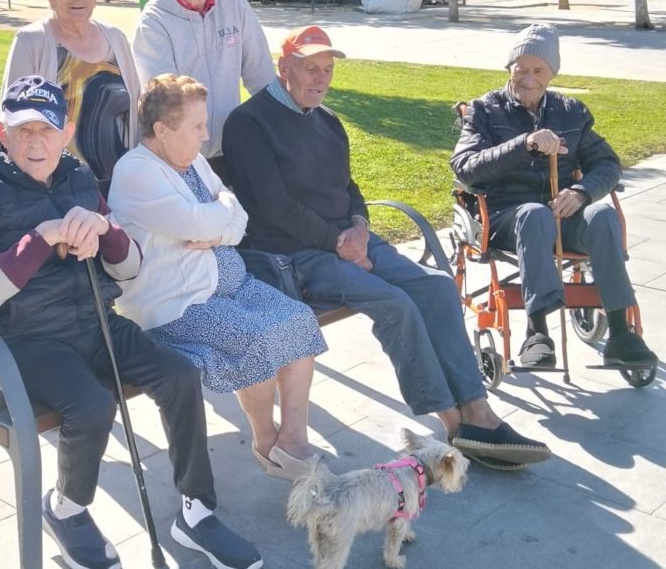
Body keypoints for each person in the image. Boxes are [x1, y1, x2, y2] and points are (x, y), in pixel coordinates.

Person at [0, 75, 262, 569]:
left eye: (46, 130)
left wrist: (103, 230)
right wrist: (43, 236)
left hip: (93, 322)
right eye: (21, 130)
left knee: (180, 375)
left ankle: (196, 512)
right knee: (92, 404)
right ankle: (67, 508)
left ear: (66, 131)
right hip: (25, 341)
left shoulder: (76, 176)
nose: (35, 142)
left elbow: (130, 265)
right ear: (0, 131)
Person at [222, 26, 552, 470]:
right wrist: (339, 243)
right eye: (309, 68)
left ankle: (479, 411)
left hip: (345, 241)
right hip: (291, 255)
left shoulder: (327, 120)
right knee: (395, 302)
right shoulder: (250, 122)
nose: (319, 78)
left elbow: (350, 187)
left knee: (435, 287)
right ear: (283, 68)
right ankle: (454, 425)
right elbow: (274, 206)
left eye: (327, 69)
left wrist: (358, 225)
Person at [108, 73, 328, 480]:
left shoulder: (191, 162)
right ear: (161, 129)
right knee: (255, 337)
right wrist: (215, 220)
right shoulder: (137, 172)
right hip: (178, 305)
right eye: (197, 126)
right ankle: (266, 441)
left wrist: (217, 226)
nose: (206, 135)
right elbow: (195, 220)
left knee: (298, 319)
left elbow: (236, 215)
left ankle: (293, 441)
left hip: (228, 287)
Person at [451, 23, 658, 369]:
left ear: (551, 73)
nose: (528, 77)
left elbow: (607, 164)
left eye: (538, 70)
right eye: (521, 69)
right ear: (509, 69)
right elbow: (465, 167)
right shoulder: (485, 111)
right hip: (507, 217)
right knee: (534, 213)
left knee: (602, 215)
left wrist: (581, 192)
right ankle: (537, 334)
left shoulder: (571, 112)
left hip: (564, 215)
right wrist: (524, 144)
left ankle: (622, 334)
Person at [1, 0, 141, 185]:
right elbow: (12, 119)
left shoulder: (116, 38)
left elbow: (136, 108)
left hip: (120, 185)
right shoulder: (31, 41)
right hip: (59, 190)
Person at [132, 0, 275, 160]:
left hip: (230, 149)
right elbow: (164, 106)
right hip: (177, 158)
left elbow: (262, 76)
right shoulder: (153, 21)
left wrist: (282, 130)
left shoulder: (234, 0)